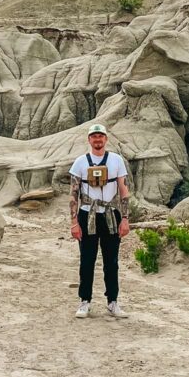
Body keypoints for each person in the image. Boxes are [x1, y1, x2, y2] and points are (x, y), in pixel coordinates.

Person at [69, 123, 130, 319]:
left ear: (106, 139)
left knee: (111, 261)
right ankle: (84, 301)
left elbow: (123, 190)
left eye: (100, 136)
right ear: (89, 140)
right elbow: (73, 194)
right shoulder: (80, 162)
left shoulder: (116, 160)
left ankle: (112, 301)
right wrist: (74, 222)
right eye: (94, 136)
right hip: (88, 214)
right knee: (87, 260)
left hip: (111, 214)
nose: (97, 140)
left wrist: (126, 218)